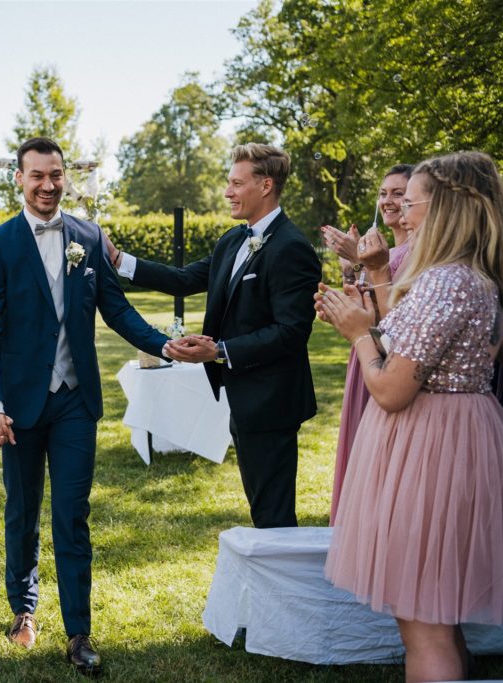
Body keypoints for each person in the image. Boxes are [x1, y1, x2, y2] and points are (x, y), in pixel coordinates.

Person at [0, 137, 170, 675]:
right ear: (18, 178)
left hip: (76, 401)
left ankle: (78, 632)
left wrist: (164, 345)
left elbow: (116, 308)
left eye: (55, 174)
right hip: (18, 405)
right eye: (36, 175)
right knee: (22, 509)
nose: (47, 185)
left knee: (72, 514)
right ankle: (23, 609)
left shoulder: (88, 234)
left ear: (65, 176)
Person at [319, 150, 503, 682]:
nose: (403, 209)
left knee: (424, 625)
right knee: (438, 615)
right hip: (456, 434)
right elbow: (413, 339)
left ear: (443, 206)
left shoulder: (447, 281)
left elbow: (392, 389)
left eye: (413, 198)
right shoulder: (471, 278)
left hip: (431, 447)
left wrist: (357, 334)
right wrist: (365, 313)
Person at [107, 143, 322, 529]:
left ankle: (281, 586)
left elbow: (291, 332)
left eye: (236, 183)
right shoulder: (233, 239)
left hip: (273, 401)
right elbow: (184, 278)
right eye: (229, 182)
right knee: (262, 507)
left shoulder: (292, 248)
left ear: (266, 185)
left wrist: (219, 351)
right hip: (243, 398)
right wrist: (120, 260)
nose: (227, 192)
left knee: (273, 513)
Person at [320, 164, 414, 523]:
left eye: (399, 193)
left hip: (391, 364)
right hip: (366, 356)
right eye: (383, 193)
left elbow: (398, 319)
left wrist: (362, 261)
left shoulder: (416, 253)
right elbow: (373, 310)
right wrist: (347, 276)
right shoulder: (386, 254)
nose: (388, 200)